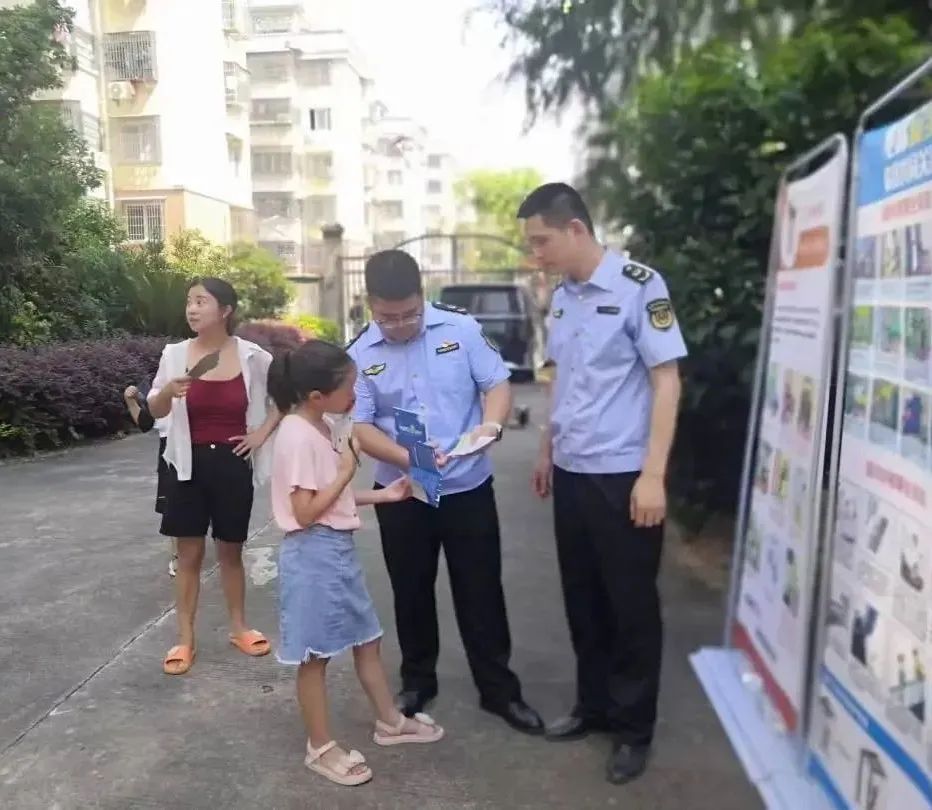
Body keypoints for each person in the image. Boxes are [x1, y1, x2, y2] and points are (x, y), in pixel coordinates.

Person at [518, 183, 687, 784]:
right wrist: (547, 448)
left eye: (542, 241)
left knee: (631, 605)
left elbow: (667, 380)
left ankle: (633, 730)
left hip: (623, 476)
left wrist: (653, 475)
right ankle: (593, 707)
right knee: (583, 598)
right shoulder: (563, 297)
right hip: (572, 471)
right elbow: (561, 379)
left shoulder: (640, 286)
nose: (536, 253)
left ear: (575, 230)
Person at [345, 249, 544, 734]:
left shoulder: (461, 329)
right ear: (370, 304)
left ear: (423, 296)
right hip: (401, 491)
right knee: (410, 590)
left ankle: (498, 689)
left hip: (467, 486)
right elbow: (360, 426)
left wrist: (491, 426)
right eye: (387, 317)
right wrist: (406, 457)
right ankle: (417, 681)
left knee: (481, 590)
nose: (399, 325)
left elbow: (497, 385)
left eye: (409, 314)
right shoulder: (360, 353)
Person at [267, 339, 444, 787]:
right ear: (316, 396)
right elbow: (305, 513)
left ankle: (390, 721)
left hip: (336, 550)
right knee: (315, 655)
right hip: (312, 555)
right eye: (349, 386)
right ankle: (320, 747)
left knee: (368, 638)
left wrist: (383, 495)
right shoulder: (296, 435)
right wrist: (348, 470)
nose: (356, 393)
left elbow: (328, 496)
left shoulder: (321, 425)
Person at [147, 277, 282, 676]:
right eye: (189, 301)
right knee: (188, 555)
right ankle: (185, 639)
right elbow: (154, 410)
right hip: (186, 466)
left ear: (225, 310)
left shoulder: (253, 356)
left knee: (231, 551)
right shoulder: (174, 355)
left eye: (201, 301)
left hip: (232, 463)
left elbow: (283, 399)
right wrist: (168, 392)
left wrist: (260, 434)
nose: (191, 309)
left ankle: (239, 628)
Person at [124, 381, 177, 576]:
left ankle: (224, 546)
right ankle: (178, 555)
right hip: (169, 450)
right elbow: (145, 422)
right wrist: (130, 401)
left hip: (200, 444)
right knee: (172, 505)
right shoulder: (159, 387)